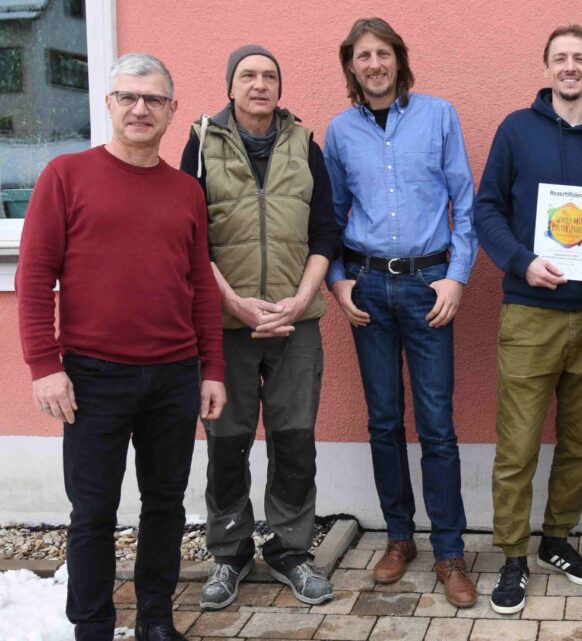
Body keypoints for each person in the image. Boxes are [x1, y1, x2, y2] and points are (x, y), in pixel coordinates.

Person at [17, 53, 225, 641]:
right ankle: (92, 627)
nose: (140, 108)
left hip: (174, 375)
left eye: (153, 99)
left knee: (166, 507)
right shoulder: (66, 175)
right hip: (90, 378)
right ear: (108, 104)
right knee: (92, 515)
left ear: (171, 111)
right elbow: (34, 277)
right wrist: (44, 365)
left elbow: (200, 285)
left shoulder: (186, 191)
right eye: (128, 97)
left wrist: (211, 367)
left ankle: (156, 621)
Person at [473, 24, 582, 615]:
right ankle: (512, 555)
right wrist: (520, 260)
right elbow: (485, 208)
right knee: (517, 445)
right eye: (560, 59)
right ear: (546, 69)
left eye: (580, 58)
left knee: (581, 443)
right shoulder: (516, 132)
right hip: (531, 313)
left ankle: (557, 541)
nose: (570, 67)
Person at [178, 44, 341, 609]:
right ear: (230, 86)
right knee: (228, 442)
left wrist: (299, 301)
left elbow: (325, 231)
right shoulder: (202, 143)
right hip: (226, 324)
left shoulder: (304, 143)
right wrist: (235, 303)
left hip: (297, 322)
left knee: (295, 439)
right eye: (247, 75)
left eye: (269, 75)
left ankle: (291, 550)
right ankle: (229, 552)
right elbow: (191, 237)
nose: (259, 84)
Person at [323, 17, 478, 608]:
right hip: (367, 289)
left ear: (398, 60)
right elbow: (333, 214)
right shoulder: (339, 131)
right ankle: (398, 537)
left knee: (437, 425)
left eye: (382, 53)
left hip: (427, 288)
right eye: (363, 56)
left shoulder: (438, 116)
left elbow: (463, 203)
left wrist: (457, 279)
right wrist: (338, 284)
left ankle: (449, 551)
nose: (374, 64)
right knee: (384, 421)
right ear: (352, 66)